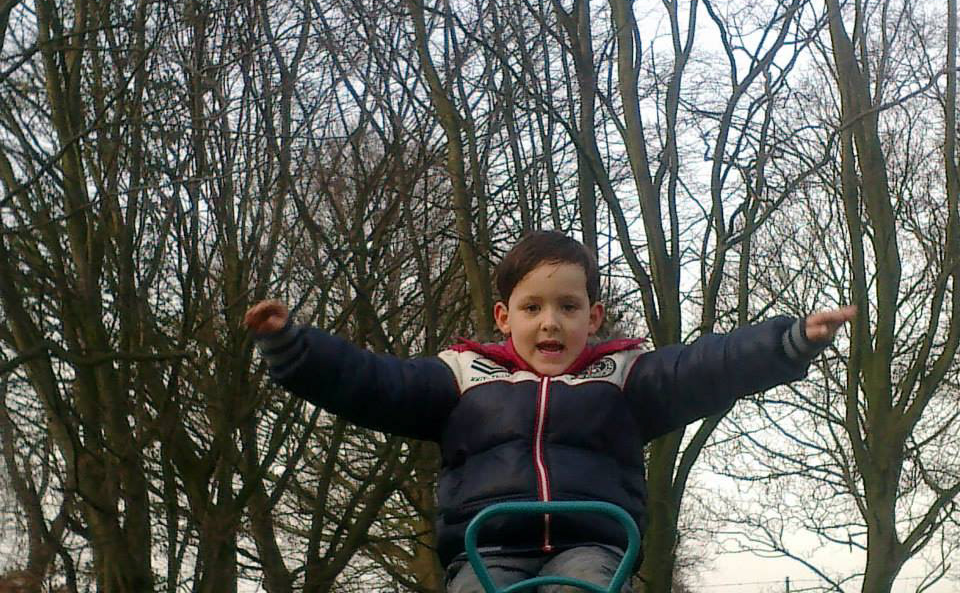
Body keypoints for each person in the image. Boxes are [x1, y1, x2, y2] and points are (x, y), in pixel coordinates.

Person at [244, 231, 856, 592]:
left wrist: (786, 341)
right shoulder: (461, 377)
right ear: (505, 318)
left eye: (567, 306)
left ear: (593, 318)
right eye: (532, 307)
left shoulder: (622, 377)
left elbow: (704, 367)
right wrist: (294, 348)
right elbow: (372, 383)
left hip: (590, 539)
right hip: (488, 545)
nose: (550, 322)